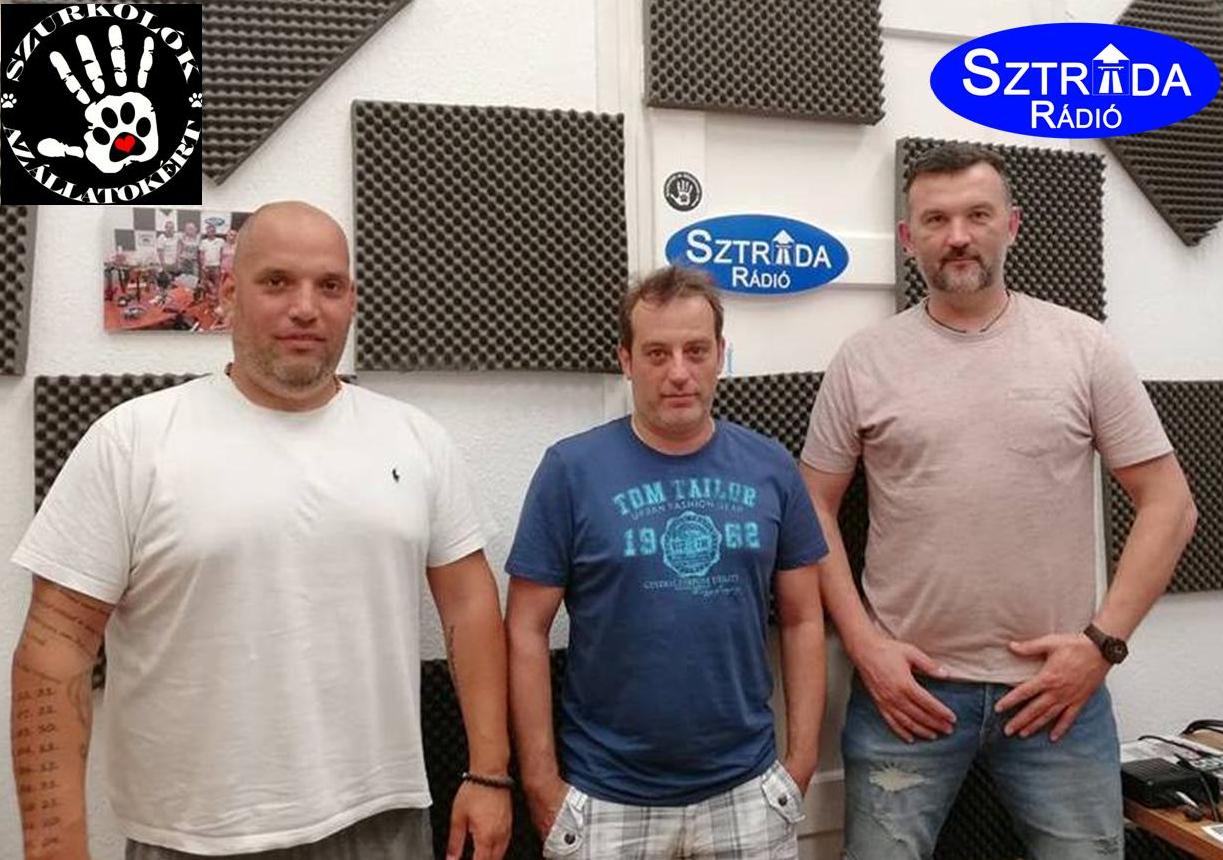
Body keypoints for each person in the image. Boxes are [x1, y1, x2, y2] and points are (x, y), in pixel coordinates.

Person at [9, 201, 513, 860]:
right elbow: (55, 656)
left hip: (384, 821)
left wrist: (489, 773)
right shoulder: (131, 442)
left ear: (352, 300)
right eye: (277, 282)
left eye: (328, 285)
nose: (305, 307)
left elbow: (470, 606)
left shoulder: (415, 439)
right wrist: (55, 850)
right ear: (227, 293)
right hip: (193, 836)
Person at [800, 143, 1197, 859]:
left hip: (1058, 698)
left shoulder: (1084, 348)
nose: (957, 236)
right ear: (908, 237)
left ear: (1011, 225)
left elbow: (1169, 504)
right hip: (907, 698)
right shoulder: (863, 361)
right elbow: (811, 509)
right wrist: (864, 648)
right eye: (936, 220)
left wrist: (1101, 647)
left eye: (977, 215)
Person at [506, 265, 829, 859]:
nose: (679, 372)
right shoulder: (570, 472)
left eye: (696, 351)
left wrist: (802, 759)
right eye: (657, 353)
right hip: (606, 800)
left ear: (720, 355)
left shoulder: (771, 467)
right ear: (626, 360)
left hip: (746, 794)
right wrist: (540, 783)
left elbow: (804, 618)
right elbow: (525, 629)